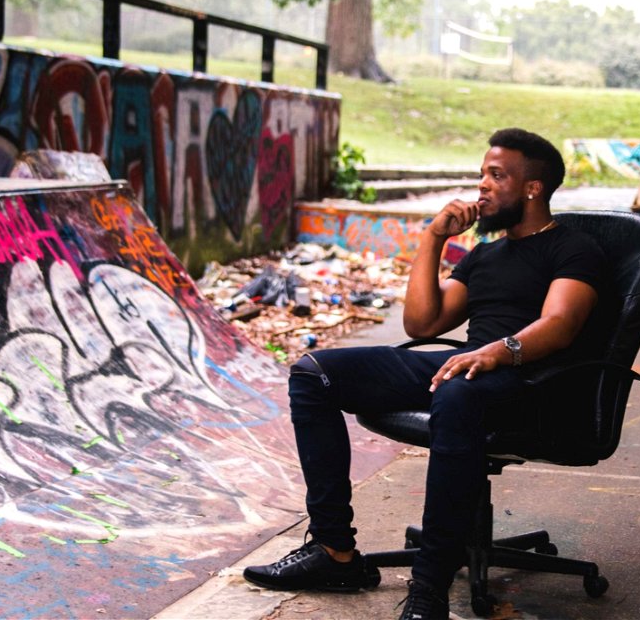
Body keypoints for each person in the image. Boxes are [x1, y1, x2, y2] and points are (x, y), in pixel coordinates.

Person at [243, 128, 609, 619]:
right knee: (315, 373)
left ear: (532, 188)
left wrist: (497, 353)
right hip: (466, 365)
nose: (482, 185)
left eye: (496, 176)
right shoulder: (485, 254)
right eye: (481, 173)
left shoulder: (573, 248)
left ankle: (430, 585)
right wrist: (433, 238)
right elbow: (422, 322)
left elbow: (560, 325)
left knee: (459, 392)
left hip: (532, 379)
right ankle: (335, 553)